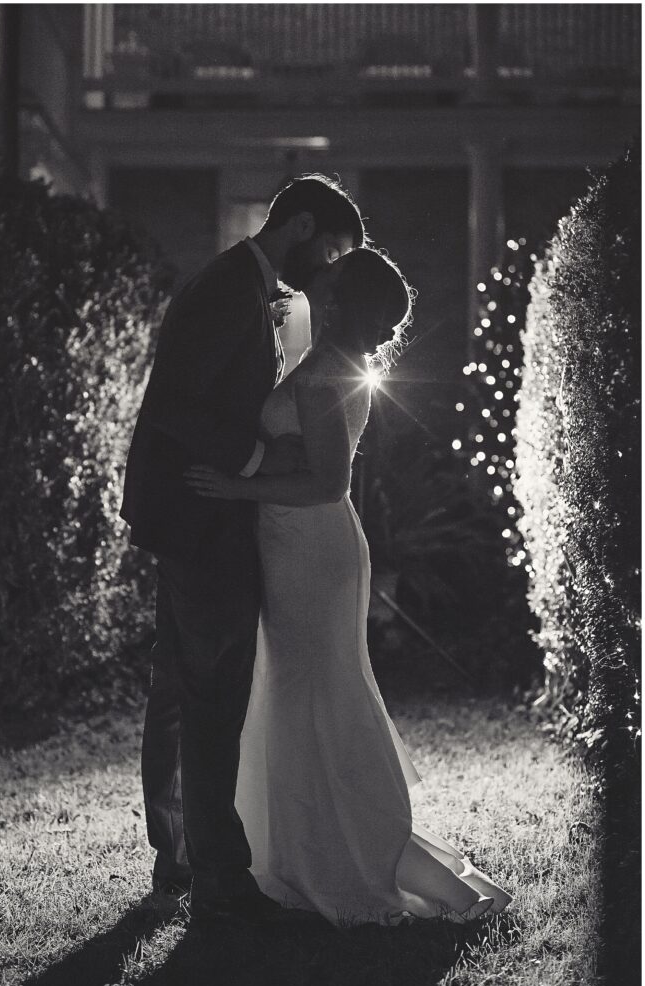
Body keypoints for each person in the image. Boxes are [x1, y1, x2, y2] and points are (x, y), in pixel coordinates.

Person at [185, 248, 513, 925]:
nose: (321, 282)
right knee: (304, 689)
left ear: (345, 300)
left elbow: (330, 482)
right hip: (299, 538)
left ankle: (356, 851)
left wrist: (238, 487)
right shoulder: (327, 361)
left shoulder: (327, 374)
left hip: (311, 542)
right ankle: (305, 849)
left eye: (333, 281)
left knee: (317, 693)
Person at [120, 174, 365, 922]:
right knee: (211, 691)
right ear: (297, 228)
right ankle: (218, 873)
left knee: (176, 684)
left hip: (193, 508)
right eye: (328, 251)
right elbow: (179, 404)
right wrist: (253, 470)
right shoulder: (229, 288)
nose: (328, 271)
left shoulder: (246, 286)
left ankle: (178, 852)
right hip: (202, 512)